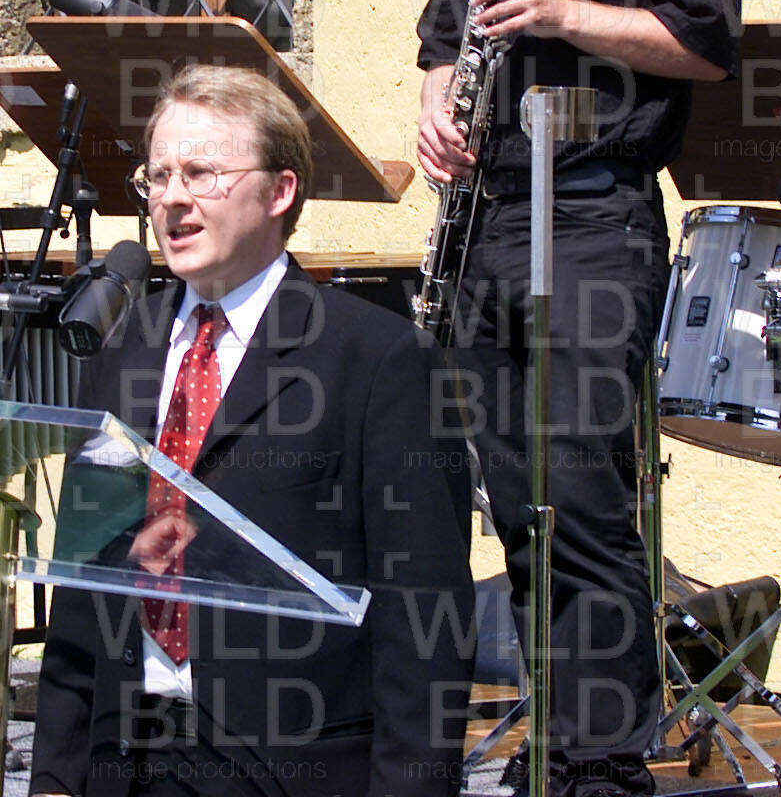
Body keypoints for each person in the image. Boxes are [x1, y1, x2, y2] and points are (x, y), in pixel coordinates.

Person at [414, 0, 741, 793]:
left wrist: (559, 10)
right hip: (490, 221)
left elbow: (703, 40)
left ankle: (604, 765)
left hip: (595, 214)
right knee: (516, 505)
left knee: (587, 496)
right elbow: (440, 42)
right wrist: (432, 119)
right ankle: (551, 743)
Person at [31, 65, 474, 796]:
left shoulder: (376, 358)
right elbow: (84, 591)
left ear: (280, 190)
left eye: (202, 173)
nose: (173, 198)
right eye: (159, 176)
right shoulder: (124, 349)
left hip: (289, 766)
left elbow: (424, 623)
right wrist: (54, 777)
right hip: (129, 761)